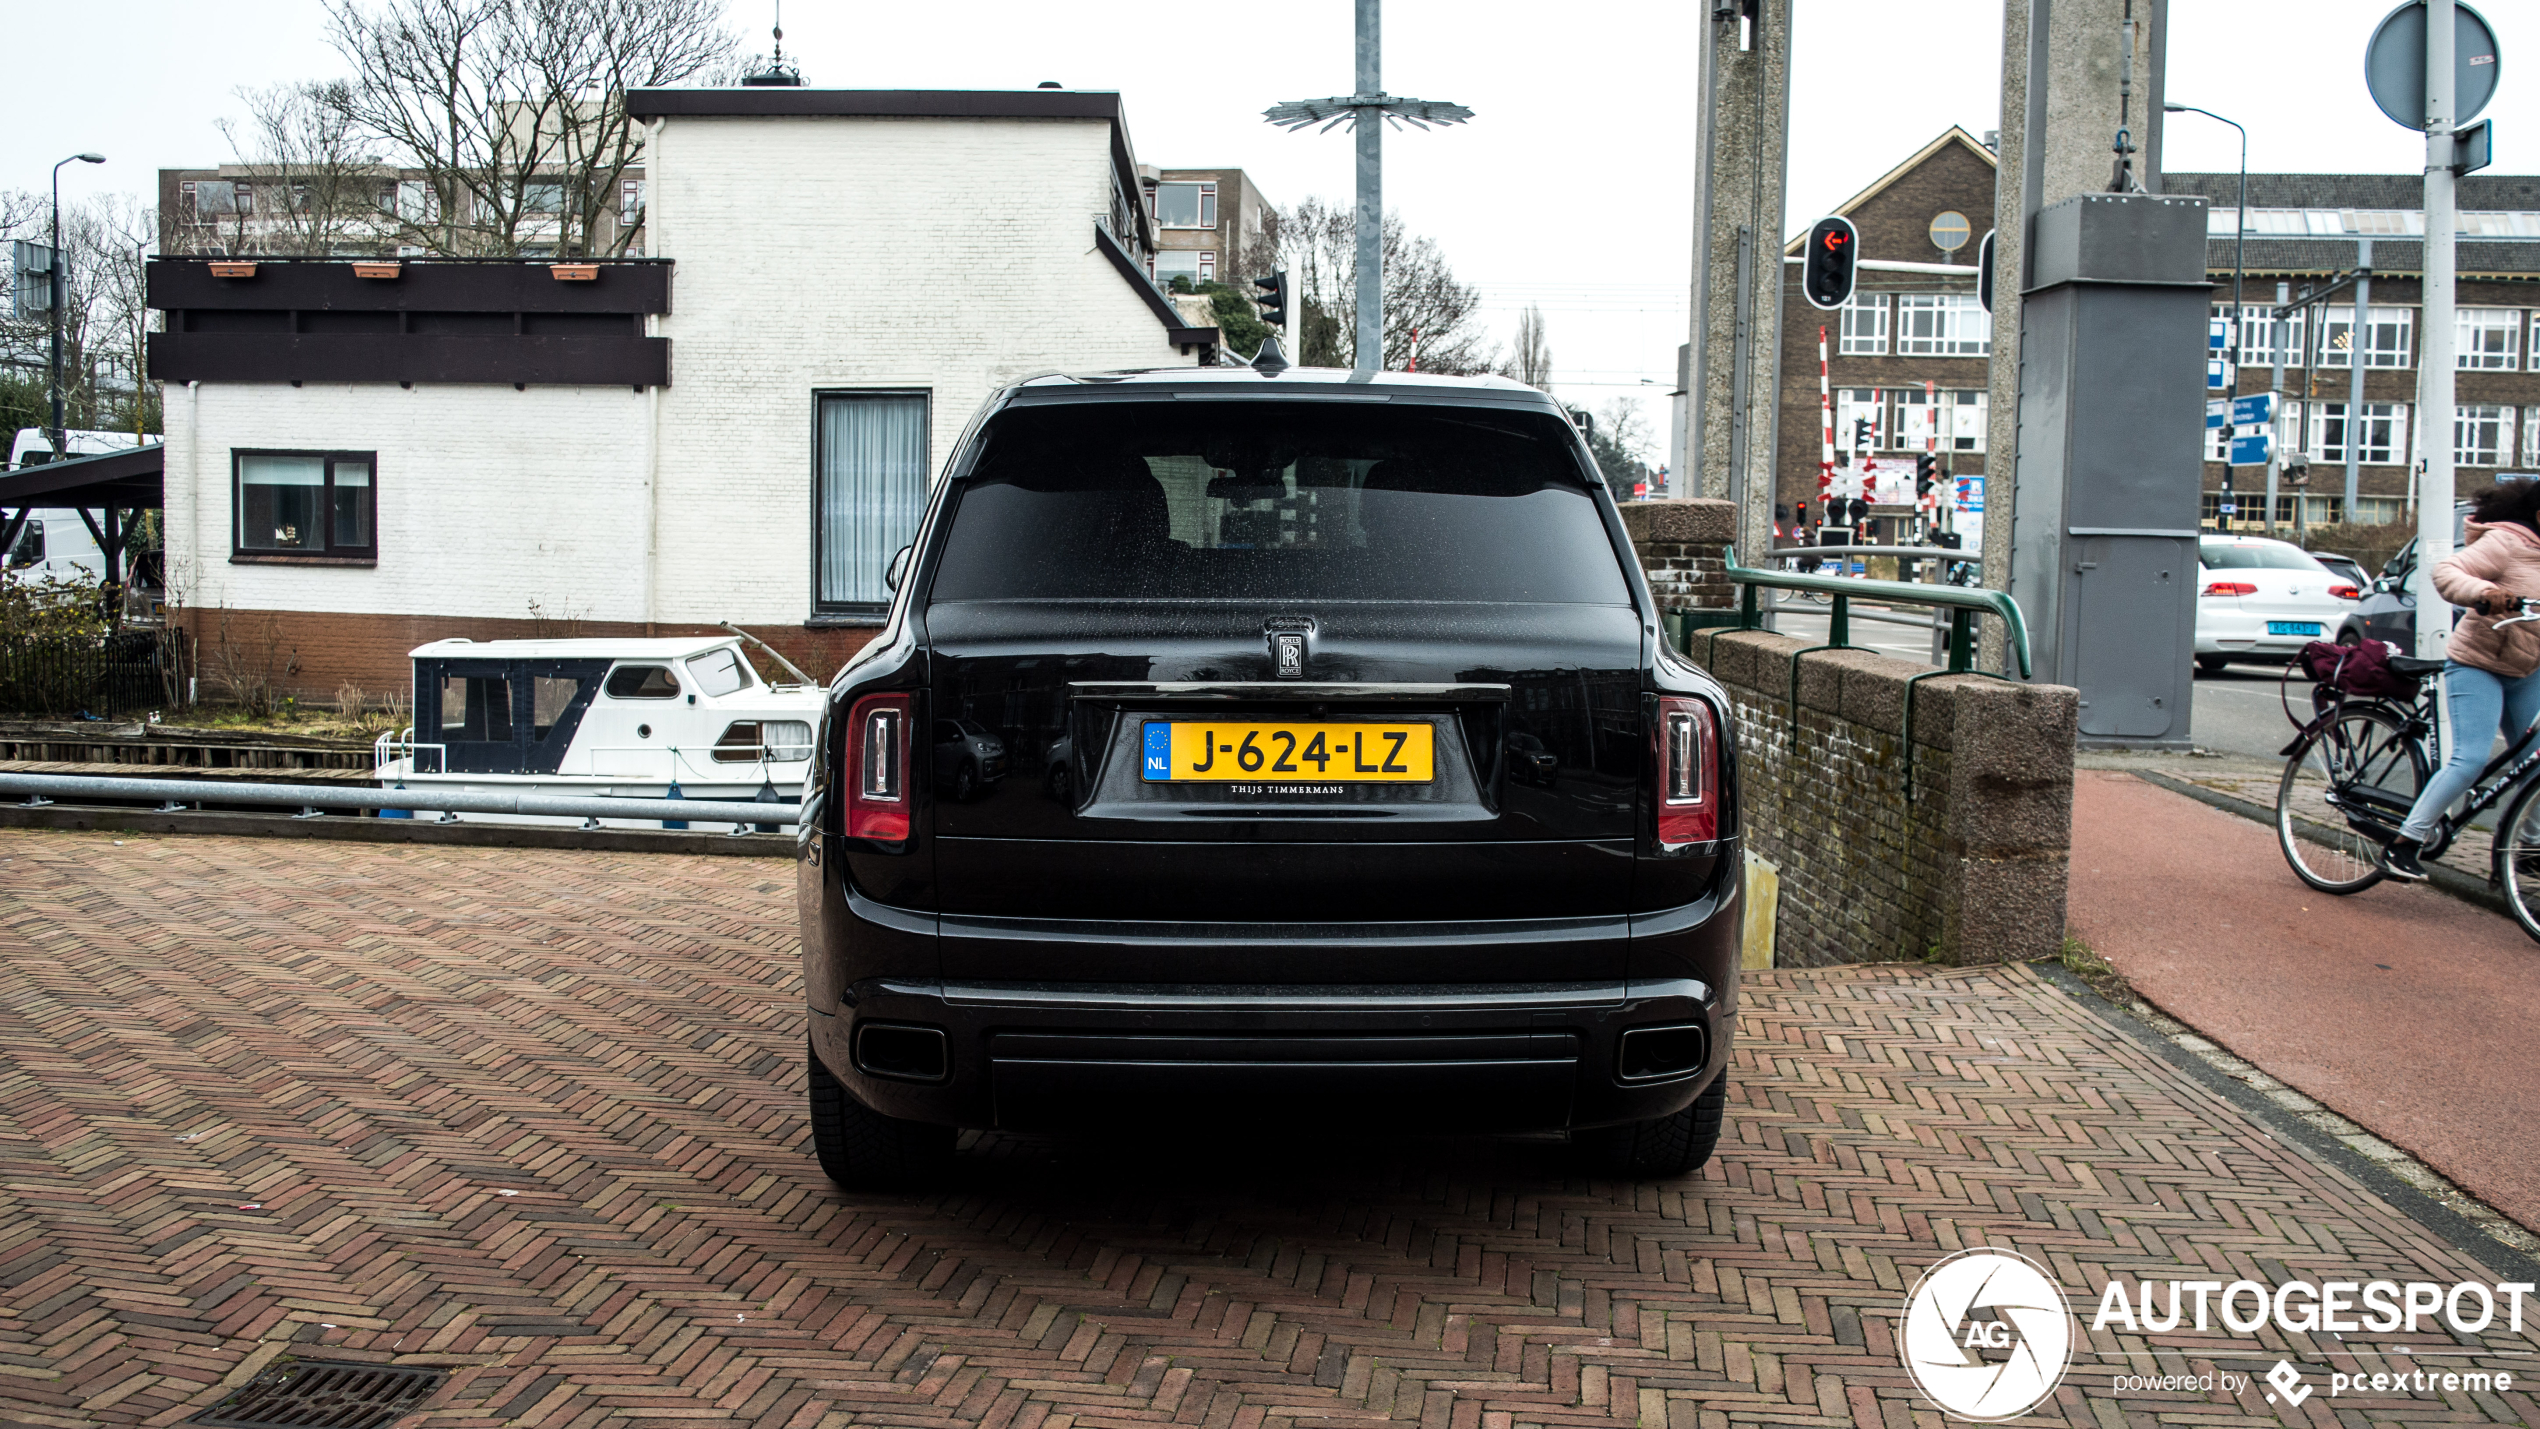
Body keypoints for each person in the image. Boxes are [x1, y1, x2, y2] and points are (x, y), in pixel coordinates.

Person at [2380, 481, 2540, 881]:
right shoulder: (2507, 542)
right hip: (2478, 664)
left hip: (2527, 670)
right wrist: (2485, 592)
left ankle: (2530, 849)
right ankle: (2404, 844)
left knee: (2536, 766)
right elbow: (2448, 570)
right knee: (2469, 759)